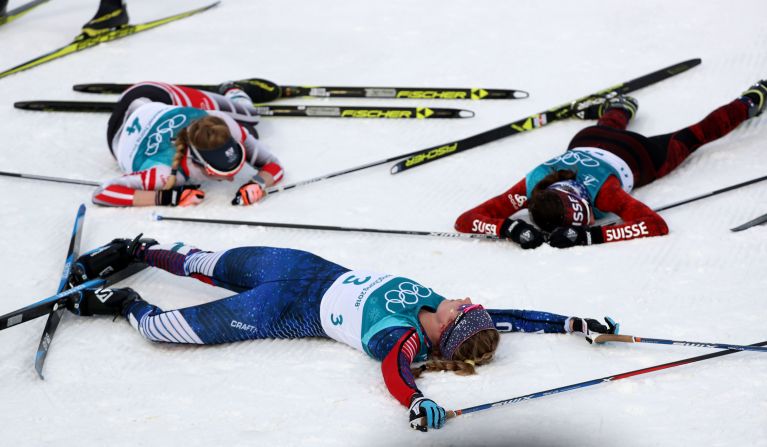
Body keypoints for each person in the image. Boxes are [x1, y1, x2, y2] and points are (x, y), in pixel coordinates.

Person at [66, 237, 618, 432]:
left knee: (167, 329)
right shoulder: (445, 309)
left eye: (463, 309)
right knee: (204, 262)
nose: (470, 301)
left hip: (282, 306)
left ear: (447, 328)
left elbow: (395, 375)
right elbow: (513, 316)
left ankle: (123, 301)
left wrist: (419, 402)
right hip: (308, 266)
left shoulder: (402, 338)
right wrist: (574, 323)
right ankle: (137, 249)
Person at [455, 80, 767, 249]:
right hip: (590, 137)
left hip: (640, 156)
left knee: (696, 134)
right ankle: (620, 108)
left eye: (587, 215)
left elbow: (654, 226)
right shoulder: (534, 185)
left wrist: (589, 237)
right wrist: (509, 226)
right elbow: (466, 219)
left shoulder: (603, 192)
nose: (593, 219)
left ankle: (750, 102)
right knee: (607, 128)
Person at [93, 81, 284, 207]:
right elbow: (102, 193)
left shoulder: (221, 122)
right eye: (224, 173)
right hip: (139, 101)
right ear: (204, 167)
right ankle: (230, 89)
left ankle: (225, 93)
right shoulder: (164, 173)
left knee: (251, 122)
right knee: (250, 119)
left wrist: (257, 183)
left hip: (156, 104)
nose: (233, 179)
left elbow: (273, 164)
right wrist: (167, 198)